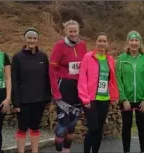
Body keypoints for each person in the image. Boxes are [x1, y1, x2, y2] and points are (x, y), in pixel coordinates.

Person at [49, 20, 88, 153]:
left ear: (78, 31)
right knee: (62, 124)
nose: (73, 34)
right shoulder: (59, 45)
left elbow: (86, 67)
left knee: (72, 125)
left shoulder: (83, 45)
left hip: (78, 88)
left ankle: (67, 150)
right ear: (65, 31)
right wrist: (55, 92)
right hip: (64, 87)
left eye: (75, 31)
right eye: (70, 31)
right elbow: (52, 70)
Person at [11, 28, 52, 153]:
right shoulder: (17, 57)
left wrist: (48, 98)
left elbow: (47, 78)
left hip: (39, 100)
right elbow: (14, 80)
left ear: (37, 40)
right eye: (29, 38)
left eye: (34, 38)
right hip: (23, 101)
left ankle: (35, 151)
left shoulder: (43, 57)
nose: (32, 40)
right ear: (25, 39)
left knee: (35, 128)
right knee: (22, 129)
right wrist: (16, 102)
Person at [79, 32, 119, 153]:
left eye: (104, 41)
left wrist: (114, 96)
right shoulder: (88, 57)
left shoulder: (110, 59)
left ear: (107, 43)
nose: (102, 43)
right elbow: (82, 78)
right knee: (93, 128)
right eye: (99, 41)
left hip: (104, 99)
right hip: (90, 99)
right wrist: (84, 98)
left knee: (99, 129)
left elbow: (112, 80)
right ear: (95, 42)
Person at [116, 31, 144, 153]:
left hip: (141, 100)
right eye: (131, 40)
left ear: (140, 42)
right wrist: (123, 99)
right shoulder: (121, 59)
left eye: (136, 40)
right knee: (126, 126)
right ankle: (126, 151)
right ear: (128, 42)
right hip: (126, 100)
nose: (134, 43)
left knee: (141, 126)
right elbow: (118, 80)